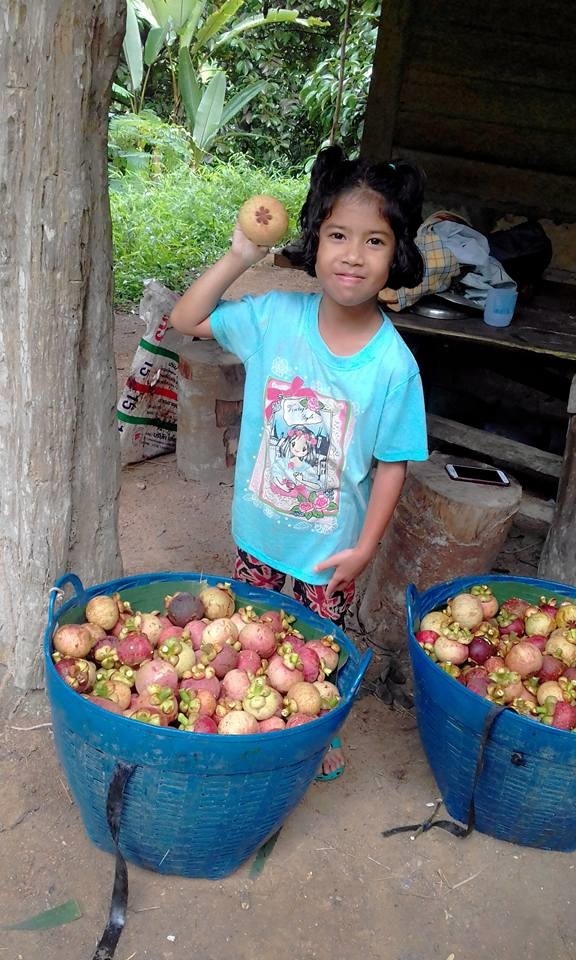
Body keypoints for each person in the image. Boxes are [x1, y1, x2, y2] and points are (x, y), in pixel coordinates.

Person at [170, 144, 429, 778]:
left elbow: (393, 464)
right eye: (339, 234)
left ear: (396, 255)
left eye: (375, 240)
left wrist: (366, 549)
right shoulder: (272, 319)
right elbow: (185, 317)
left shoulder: (393, 366)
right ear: (314, 239)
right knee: (248, 639)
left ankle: (315, 730)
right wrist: (239, 253)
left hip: (330, 549)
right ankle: (249, 722)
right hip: (259, 533)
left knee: (318, 653)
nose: (353, 254)